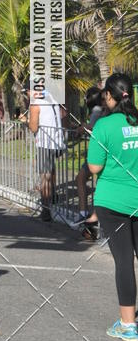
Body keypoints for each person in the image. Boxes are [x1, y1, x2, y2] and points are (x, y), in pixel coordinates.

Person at [88, 73, 138, 341]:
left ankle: (128, 324)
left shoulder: (104, 126)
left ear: (109, 95)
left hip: (113, 202)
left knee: (123, 260)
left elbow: (95, 167)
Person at [26, 83, 65, 221]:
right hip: (58, 142)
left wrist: (25, 120)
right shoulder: (54, 99)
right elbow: (63, 115)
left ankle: (46, 209)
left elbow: (33, 127)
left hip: (45, 143)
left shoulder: (35, 104)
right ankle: (53, 197)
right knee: (51, 170)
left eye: (28, 92)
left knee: (45, 177)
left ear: (31, 91)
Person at [74, 86, 104, 236]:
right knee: (84, 179)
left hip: (97, 154)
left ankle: (86, 214)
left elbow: (92, 127)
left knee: (81, 178)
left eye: (86, 97)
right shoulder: (99, 110)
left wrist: (82, 128)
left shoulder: (97, 110)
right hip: (97, 153)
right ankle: (88, 213)